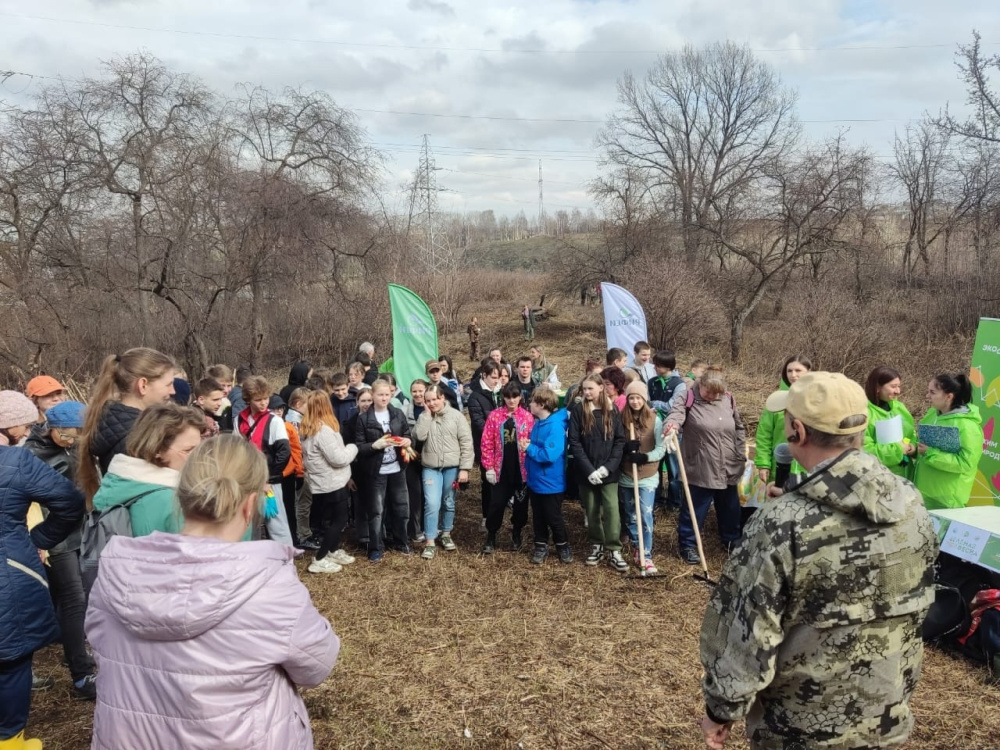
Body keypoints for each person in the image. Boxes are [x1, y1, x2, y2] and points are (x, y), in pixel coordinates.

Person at [698, 372, 937, 750]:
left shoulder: (781, 523)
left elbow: (747, 632)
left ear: (797, 431)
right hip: (885, 717)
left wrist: (722, 709)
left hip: (799, 730)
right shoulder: (909, 502)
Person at [86, 435, 339, 750]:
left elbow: (100, 648)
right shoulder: (268, 584)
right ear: (250, 503)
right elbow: (316, 665)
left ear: (181, 495)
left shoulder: (115, 571)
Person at [0, 391, 84, 750]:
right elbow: (70, 502)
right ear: (10, 425)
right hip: (8, 570)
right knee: (12, 661)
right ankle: (10, 740)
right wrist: (36, 537)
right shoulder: (16, 462)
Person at [23, 400, 97, 701]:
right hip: (56, 535)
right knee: (74, 598)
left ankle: (69, 643)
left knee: (80, 596)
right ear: (52, 429)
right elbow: (28, 502)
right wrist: (37, 538)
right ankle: (81, 675)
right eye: (67, 436)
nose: (72, 441)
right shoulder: (32, 455)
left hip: (84, 530)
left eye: (77, 436)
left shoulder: (78, 445)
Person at [664, 366, 746, 565]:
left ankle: (730, 540)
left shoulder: (728, 399)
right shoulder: (687, 397)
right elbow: (676, 415)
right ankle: (688, 544)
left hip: (728, 463)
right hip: (701, 463)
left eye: (716, 393)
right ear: (701, 384)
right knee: (695, 507)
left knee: (730, 507)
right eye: (708, 391)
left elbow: (738, 427)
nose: (712, 396)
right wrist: (671, 426)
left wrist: (740, 452)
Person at [78, 348, 177, 502]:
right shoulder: (138, 435)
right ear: (143, 385)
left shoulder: (111, 422)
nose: (173, 391)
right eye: (168, 384)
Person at [92, 402, 205, 538]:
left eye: (200, 449)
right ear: (157, 450)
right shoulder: (167, 501)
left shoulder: (121, 483)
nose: (199, 457)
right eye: (188, 450)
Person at [568, 374, 627, 571]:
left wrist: (607, 467)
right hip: (586, 472)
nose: (586, 392)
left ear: (601, 388)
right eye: (584, 389)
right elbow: (574, 442)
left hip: (608, 472)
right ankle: (596, 545)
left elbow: (619, 441)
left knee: (611, 509)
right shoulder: (579, 410)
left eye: (590, 389)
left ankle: (614, 548)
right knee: (591, 509)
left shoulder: (612, 410)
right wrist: (588, 470)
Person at [299, 391, 358, 574]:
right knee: (339, 520)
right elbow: (338, 458)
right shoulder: (323, 430)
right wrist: (352, 447)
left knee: (334, 518)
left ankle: (332, 550)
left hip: (323, 482)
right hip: (332, 482)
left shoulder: (309, 427)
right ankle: (319, 558)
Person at [413, 384, 474, 559]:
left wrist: (465, 468)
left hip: (452, 467)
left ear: (442, 398)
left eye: (435, 399)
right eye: (428, 401)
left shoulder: (456, 416)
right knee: (431, 503)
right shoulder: (424, 416)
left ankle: (446, 533)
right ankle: (430, 540)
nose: (432, 403)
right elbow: (419, 436)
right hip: (431, 467)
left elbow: (466, 443)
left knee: (448, 501)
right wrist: (426, 415)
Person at [354, 380, 411, 562]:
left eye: (387, 394)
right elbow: (359, 447)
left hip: (397, 469)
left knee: (401, 507)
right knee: (377, 511)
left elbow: (407, 433)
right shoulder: (364, 419)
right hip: (376, 471)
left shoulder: (397, 414)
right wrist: (374, 445)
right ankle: (375, 547)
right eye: (380, 395)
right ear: (373, 395)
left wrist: (408, 441)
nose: (384, 398)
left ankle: (401, 541)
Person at [234, 376, 294, 547]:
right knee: (248, 522)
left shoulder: (274, 421)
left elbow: (284, 453)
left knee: (276, 521)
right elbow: (237, 452)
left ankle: (285, 559)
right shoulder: (239, 420)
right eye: (258, 399)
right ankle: (251, 559)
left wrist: (269, 479)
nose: (263, 403)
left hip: (269, 481)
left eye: (265, 398)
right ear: (248, 399)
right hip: (248, 480)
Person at [914, 372, 984, 510]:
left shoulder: (967, 426)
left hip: (947, 500)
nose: (927, 396)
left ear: (949, 396)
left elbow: (965, 464)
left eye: (932, 392)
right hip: (923, 493)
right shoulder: (932, 414)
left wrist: (930, 453)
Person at [480, 382, 534, 554]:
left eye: (515, 397)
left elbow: (533, 440)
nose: (511, 400)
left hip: (521, 471)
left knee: (520, 506)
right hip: (500, 469)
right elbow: (486, 442)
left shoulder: (527, 417)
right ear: (503, 397)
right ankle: (491, 535)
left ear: (520, 397)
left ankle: (516, 532)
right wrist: (488, 466)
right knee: (496, 504)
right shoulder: (495, 416)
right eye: (508, 397)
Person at [618, 382, 666, 574]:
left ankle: (646, 555)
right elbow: (614, 444)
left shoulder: (655, 419)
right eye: (631, 397)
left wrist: (645, 457)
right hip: (626, 475)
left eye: (638, 397)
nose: (635, 401)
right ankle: (638, 546)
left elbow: (661, 448)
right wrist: (624, 448)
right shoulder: (620, 419)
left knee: (645, 516)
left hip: (647, 475)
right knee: (629, 514)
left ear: (644, 399)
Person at [523, 387, 572, 564]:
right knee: (538, 515)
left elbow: (549, 455)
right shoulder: (538, 423)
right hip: (535, 480)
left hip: (551, 482)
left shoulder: (555, 426)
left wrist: (529, 448)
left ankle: (563, 545)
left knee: (553, 516)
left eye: (532, 401)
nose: (529, 404)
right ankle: (540, 544)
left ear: (541, 404)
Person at [756, 355, 813, 484]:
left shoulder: (817, 399)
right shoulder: (776, 401)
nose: (793, 375)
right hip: (780, 467)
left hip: (808, 469)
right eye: (789, 371)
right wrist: (763, 464)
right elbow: (764, 434)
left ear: (809, 372)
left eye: (798, 370)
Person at [647, 350, 687, 510]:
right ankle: (656, 499)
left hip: (673, 431)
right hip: (654, 428)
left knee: (673, 468)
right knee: (655, 465)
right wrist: (653, 405)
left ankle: (674, 502)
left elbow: (673, 406)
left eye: (658, 365)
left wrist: (655, 405)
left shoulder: (679, 384)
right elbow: (647, 402)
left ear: (667, 366)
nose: (655, 367)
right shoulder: (652, 382)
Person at [862, 365, 917, 478]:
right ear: (877, 387)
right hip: (882, 478)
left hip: (907, 473)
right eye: (893, 386)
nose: (898, 391)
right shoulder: (864, 413)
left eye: (899, 386)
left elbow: (910, 434)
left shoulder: (899, 407)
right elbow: (865, 449)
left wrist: (912, 446)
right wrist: (898, 450)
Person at [467, 361, 502, 531]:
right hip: (485, 445)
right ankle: (486, 516)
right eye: (493, 377)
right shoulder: (475, 396)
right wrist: (498, 434)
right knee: (487, 482)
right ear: (484, 376)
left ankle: (499, 514)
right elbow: (479, 422)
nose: (496, 381)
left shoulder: (502, 393)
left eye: (498, 377)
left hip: (503, 446)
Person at [403, 379, 428, 544]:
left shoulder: (433, 407)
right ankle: (415, 529)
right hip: (411, 458)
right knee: (415, 494)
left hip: (430, 457)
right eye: (414, 391)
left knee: (429, 495)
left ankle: (430, 527)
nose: (418, 394)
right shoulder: (405, 410)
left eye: (421, 391)